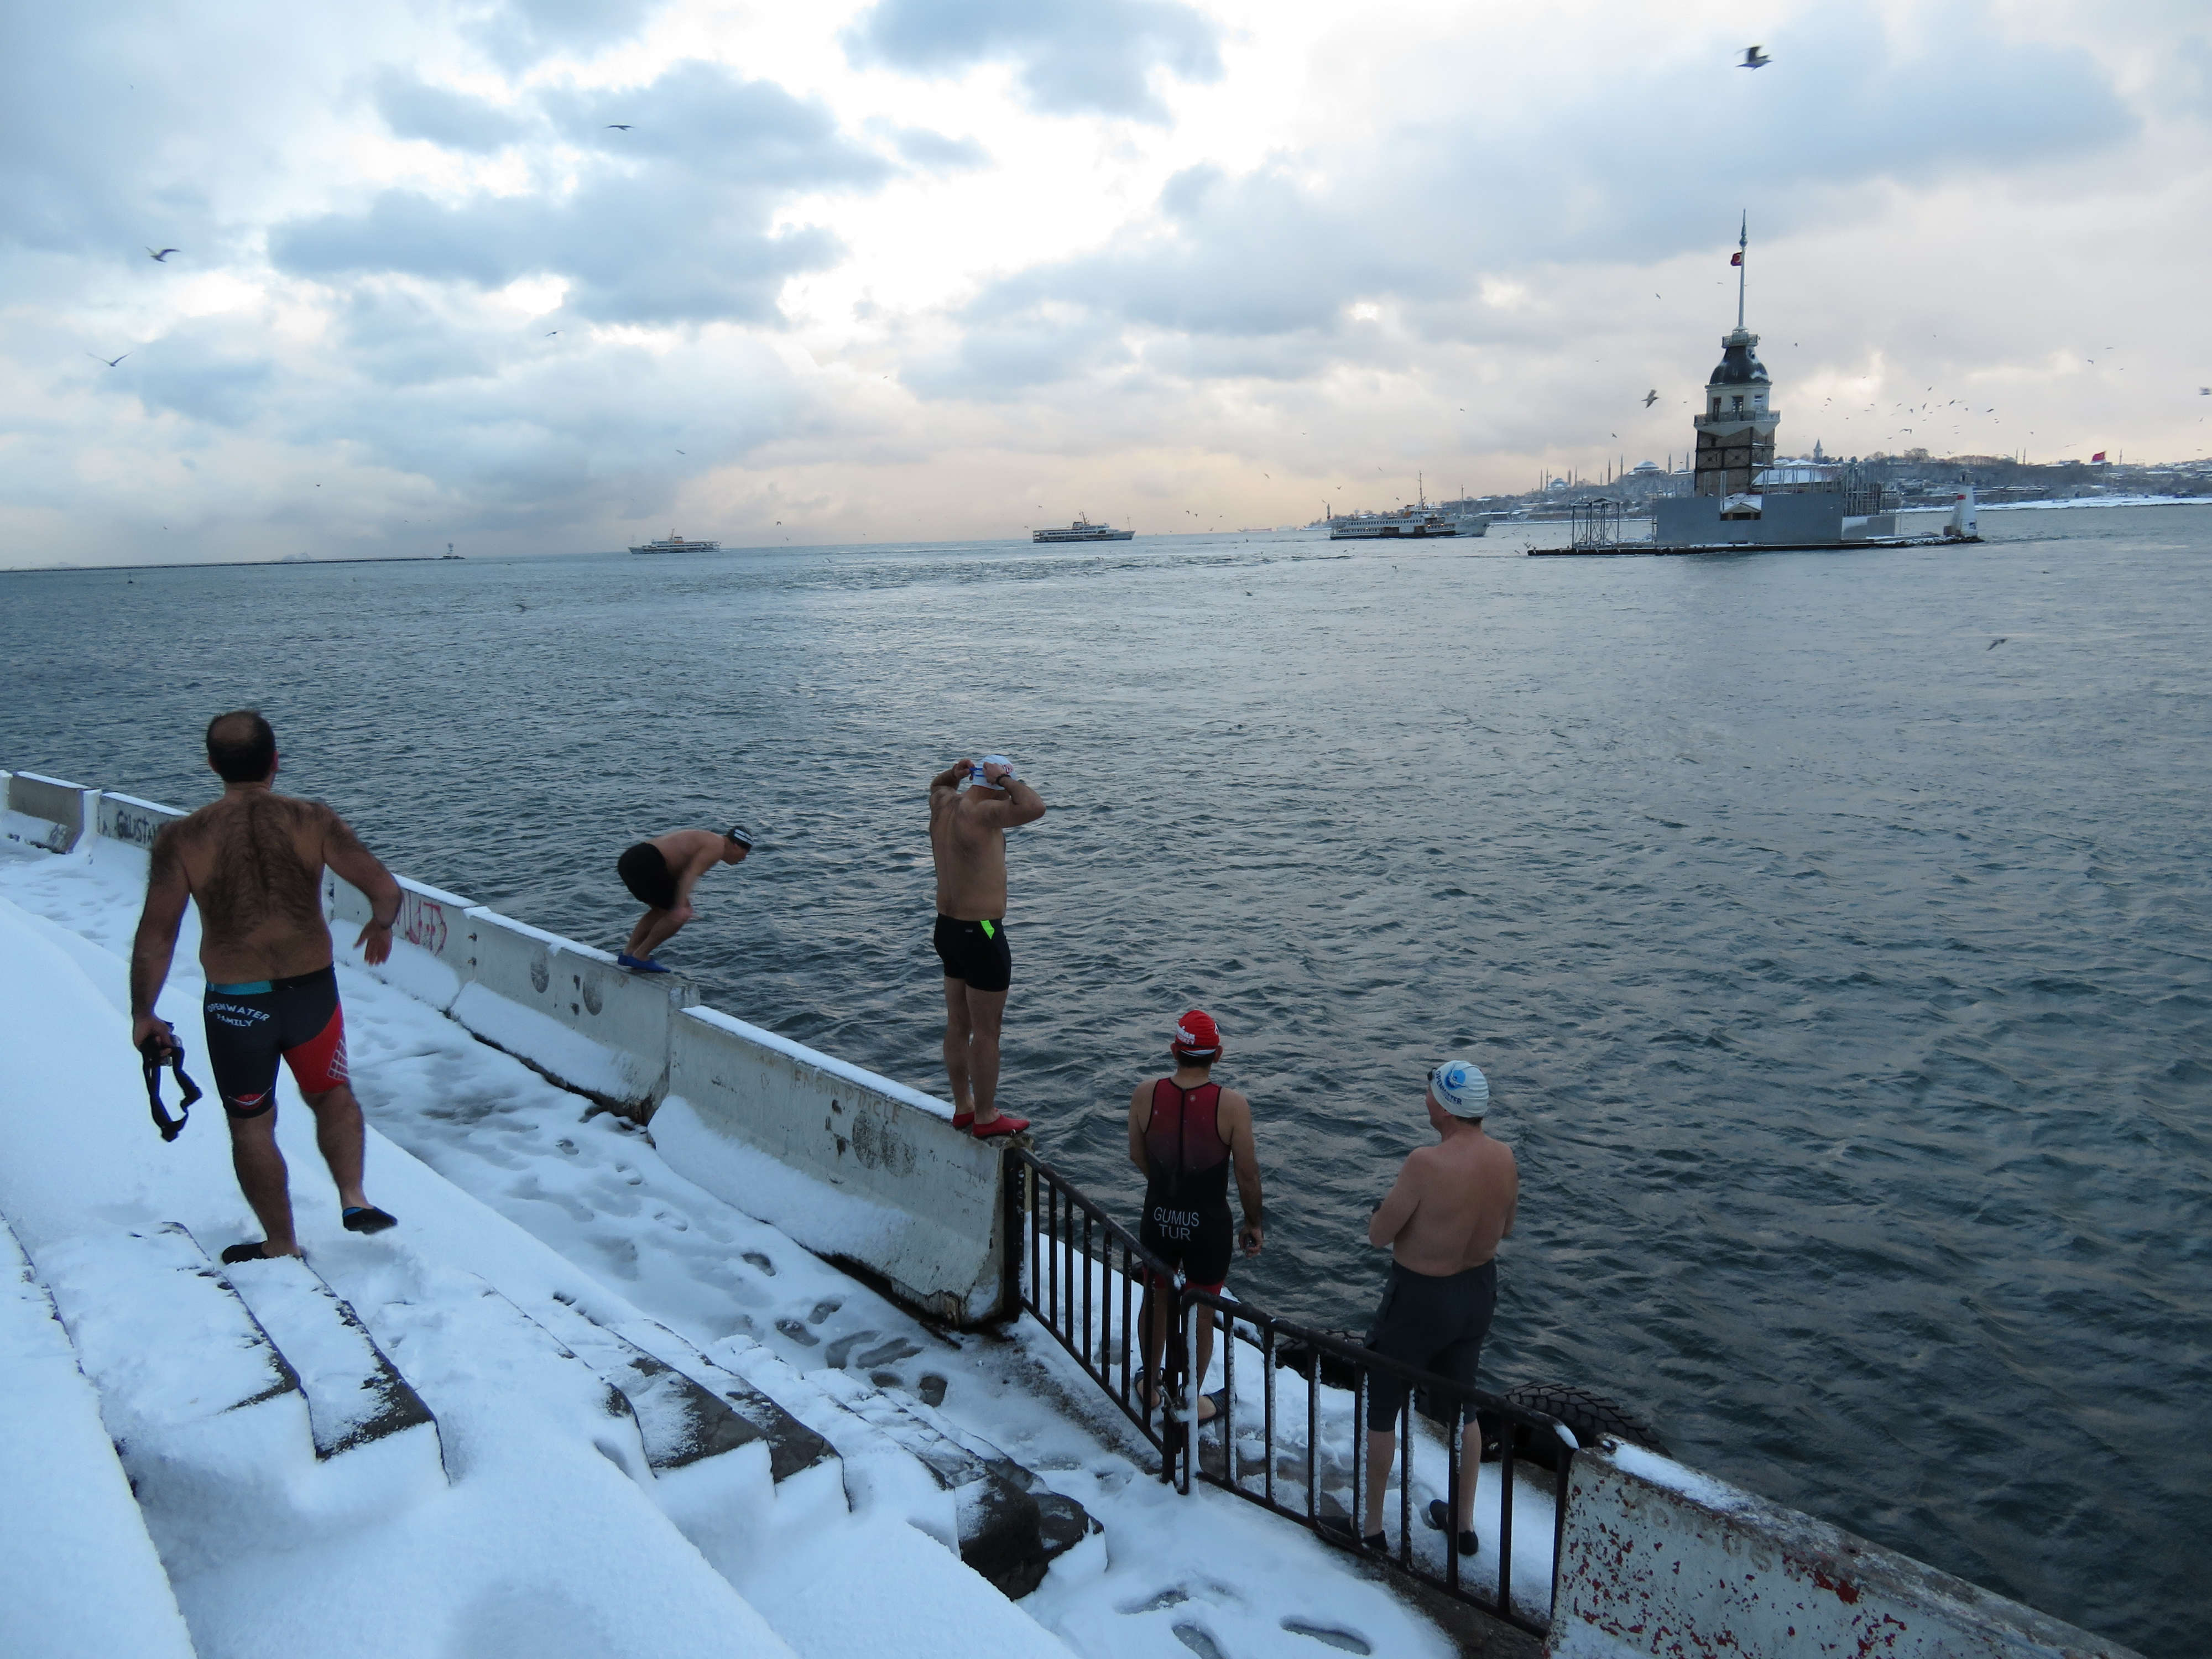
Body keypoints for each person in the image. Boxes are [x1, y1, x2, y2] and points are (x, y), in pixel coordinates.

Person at [128, 711, 405, 1263]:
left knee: (252, 1123)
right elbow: (385, 889)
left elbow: (157, 935)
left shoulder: (182, 839)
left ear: (212, 766)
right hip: (312, 997)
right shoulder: (312, 820)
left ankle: (281, 1242)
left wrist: (145, 1012)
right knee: (333, 1094)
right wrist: (380, 925)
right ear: (276, 761)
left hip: (237, 1006)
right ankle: (353, 1196)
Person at [1354, 1057, 1517, 1556]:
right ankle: (1464, 1524)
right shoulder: (1505, 1157)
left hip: (1420, 1297)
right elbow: (1505, 1230)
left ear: (1446, 1107)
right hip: (1477, 1293)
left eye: (1430, 1093)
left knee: (1383, 1406)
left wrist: (1384, 1213)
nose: (1425, 1100)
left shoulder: (1425, 1162)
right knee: (1464, 1404)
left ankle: (1373, 1530)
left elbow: (1379, 1236)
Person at [1128, 1010, 1264, 1423]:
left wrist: (1169, 1191)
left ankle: (1150, 1387)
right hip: (1208, 1226)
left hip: (1159, 1217)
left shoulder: (1145, 1094)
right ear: (1218, 1055)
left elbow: (1137, 1154)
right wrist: (1253, 1223)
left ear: (1174, 1050)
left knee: (1156, 1301)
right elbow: (1246, 1173)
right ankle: (1189, 1398)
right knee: (1202, 1313)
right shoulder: (1232, 1105)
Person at [927, 754, 1046, 1137]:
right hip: (983, 932)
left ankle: (963, 1106)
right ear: (996, 779)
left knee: (957, 1022)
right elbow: (1034, 806)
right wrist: (1008, 781)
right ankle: (986, 1115)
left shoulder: (946, 804)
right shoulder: (985, 813)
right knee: (987, 1030)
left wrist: (953, 774)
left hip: (946, 929)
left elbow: (937, 786)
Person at [615, 825, 753, 972]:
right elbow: (691, 874)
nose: (744, 858)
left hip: (630, 859)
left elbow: (678, 875)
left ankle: (628, 953)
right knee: (681, 913)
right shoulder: (717, 846)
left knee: (661, 910)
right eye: (746, 853)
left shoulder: (709, 840)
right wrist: (681, 906)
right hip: (647, 862)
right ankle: (640, 956)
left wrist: (680, 901)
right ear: (736, 846)